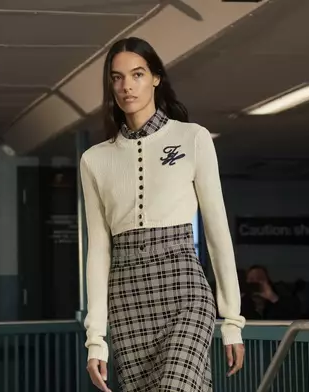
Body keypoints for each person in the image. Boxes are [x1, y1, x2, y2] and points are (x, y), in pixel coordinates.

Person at [79, 37, 246, 392]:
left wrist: (232, 319)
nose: (126, 86)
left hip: (184, 289)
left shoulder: (193, 138)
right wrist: (96, 336)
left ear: (156, 77)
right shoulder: (94, 159)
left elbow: (217, 232)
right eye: (117, 77)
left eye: (137, 74)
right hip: (126, 297)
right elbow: (98, 250)